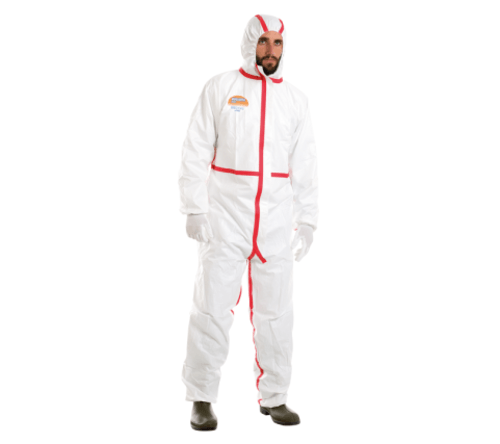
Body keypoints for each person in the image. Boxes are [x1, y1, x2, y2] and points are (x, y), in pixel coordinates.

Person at [178, 13, 318, 431]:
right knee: (212, 308)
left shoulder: (295, 100)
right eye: (263, 42)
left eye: (277, 43)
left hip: (275, 222)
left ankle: (275, 396)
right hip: (226, 218)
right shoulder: (221, 88)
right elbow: (195, 148)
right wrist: (194, 207)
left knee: (277, 313)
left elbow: (305, 164)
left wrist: (308, 220)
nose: (270, 50)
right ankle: (202, 397)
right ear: (249, 43)